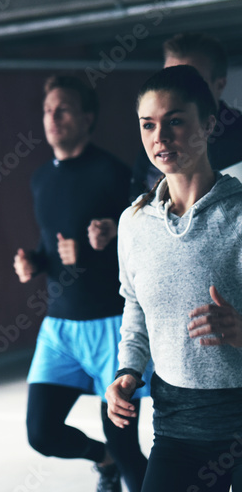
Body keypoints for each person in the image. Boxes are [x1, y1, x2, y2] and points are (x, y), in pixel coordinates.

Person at [106, 64, 242, 492]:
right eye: (148, 124)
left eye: (175, 121)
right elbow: (134, 304)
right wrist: (128, 370)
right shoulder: (134, 222)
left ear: (208, 124)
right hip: (175, 426)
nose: (159, 137)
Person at [13, 75, 147, 492]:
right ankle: (101, 462)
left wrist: (111, 236)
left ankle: (117, 461)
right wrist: (34, 261)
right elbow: (50, 241)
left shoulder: (113, 173)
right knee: (41, 433)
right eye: (48, 109)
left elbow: (145, 242)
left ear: (88, 118)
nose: (52, 117)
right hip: (60, 328)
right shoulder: (41, 179)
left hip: (111, 325)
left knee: (125, 446)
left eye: (64, 108)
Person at [130, 33, 242, 195]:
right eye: (168, 79)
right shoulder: (155, 144)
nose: (174, 90)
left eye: (191, 81)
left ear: (219, 84)